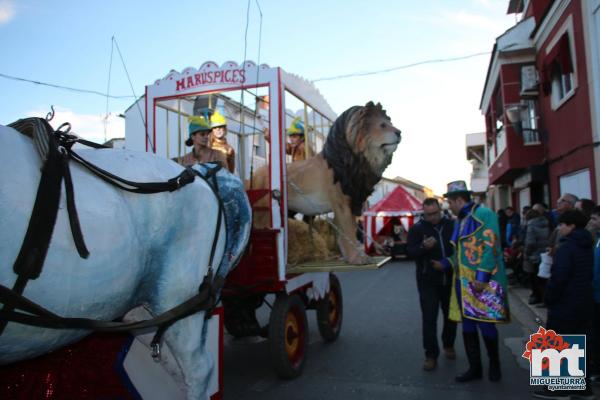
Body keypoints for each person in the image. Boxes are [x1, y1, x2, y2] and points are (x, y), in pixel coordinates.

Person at [431, 180, 509, 383]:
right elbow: (459, 254)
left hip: (482, 280)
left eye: (450, 202)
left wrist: (482, 278)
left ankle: (495, 365)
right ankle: (475, 368)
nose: (449, 206)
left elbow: (492, 247)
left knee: (486, 324)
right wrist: (446, 263)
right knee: (468, 324)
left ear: (459, 200)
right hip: (462, 280)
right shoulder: (460, 221)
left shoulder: (485, 214)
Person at [534, 209, 594, 399]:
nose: (559, 228)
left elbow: (559, 278)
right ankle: (582, 388)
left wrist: (549, 297)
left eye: (562, 225)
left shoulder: (567, 248)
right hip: (582, 301)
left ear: (571, 226)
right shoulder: (587, 244)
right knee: (576, 343)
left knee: (557, 342)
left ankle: (557, 388)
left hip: (565, 301)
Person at [407, 198, 456, 371]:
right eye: (428, 215)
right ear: (423, 212)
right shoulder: (417, 229)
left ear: (440, 210)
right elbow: (410, 252)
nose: (432, 217)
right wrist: (423, 247)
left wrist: (448, 263)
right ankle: (430, 355)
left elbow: (459, 250)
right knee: (429, 319)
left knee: (451, 317)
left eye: (435, 213)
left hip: (450, 279)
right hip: (427, 281)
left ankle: (448, 344)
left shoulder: (451, 225)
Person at [522, 209, 549, 305]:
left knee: (534, 278)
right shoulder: (546, 223)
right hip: (545, 254)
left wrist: (526, 254)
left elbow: (530, 242)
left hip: (534, 255)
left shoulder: (531, 225)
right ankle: (544, 297)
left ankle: (536, 296)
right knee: (543, 278)